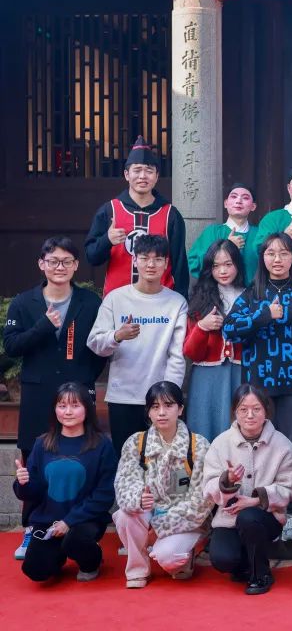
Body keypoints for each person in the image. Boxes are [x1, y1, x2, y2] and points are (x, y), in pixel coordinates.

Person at [3, 237, 106, 559]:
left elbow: (99, 349)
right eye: (53, 261)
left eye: (66, 261)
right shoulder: (24, 302)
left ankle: (81, 525)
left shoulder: (90, 302)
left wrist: (84, 377)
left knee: (85, 454)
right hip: (38, 392)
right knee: (34, 459)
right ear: (41, 264)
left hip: (77, 390)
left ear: (76, 266)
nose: (59, 267)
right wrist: (44, 327)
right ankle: (31, 529)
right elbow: (12, 347)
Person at [87, 234, 187, 454]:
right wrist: (117, 336)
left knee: (163, 460)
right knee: (126, 460)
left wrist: (168, 397)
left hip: (161, 401)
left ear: (166, 263)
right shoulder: (115, 298)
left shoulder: (177, 302)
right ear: (134, 260)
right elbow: (94, 343)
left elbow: (177, 356)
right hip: (123, 396)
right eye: (144, 258)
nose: (151, 264)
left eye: (158, 259)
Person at [223, 232, 292, 451]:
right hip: (257, 384)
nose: (277, 259)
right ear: (263, 258)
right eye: (271, 253)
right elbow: (229, 330)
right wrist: (264, 315)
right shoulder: (252, 293)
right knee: (259, 444)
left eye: (284, 253)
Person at [113, 382, 213, 588]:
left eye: (168, 405)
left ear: (180, 409)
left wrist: (158, 528)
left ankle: (186, 554)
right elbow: (124, 484)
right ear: (148, 412)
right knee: (124, 515)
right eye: (155, 406)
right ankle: (138, 569)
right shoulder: (136, 443)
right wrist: (138, 498)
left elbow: (201, 501)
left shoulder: (198, 445)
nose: (161, 413)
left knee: (169, 559)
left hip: (184, 519)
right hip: (149, 514)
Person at [13, 382, 116, 583]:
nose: (68, 411)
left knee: (75, 541)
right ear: (55, 409)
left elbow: (104, 494)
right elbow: (33, 493)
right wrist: (23, 483)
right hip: (49, 522)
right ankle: (58, 555)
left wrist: (69, 521)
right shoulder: (42, 443)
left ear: (87, 409)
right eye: (62, 406)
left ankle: (92, 560)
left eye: (75, 405)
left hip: (85, 520)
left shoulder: (102, 445)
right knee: (36, 571)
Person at [202, 384, 292, 595]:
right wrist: (226, 481)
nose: (250, 415)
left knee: (249, 518)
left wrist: (256, 500)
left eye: (256, 409)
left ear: (266, 410)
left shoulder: (283, 446)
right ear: (234, 412)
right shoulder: (220, 443)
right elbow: (207, 487)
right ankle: (245, 563)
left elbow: (290, 488)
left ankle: (261, 575)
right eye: (243, 409)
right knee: (223, 559)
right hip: (229, 518)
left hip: (266, 518)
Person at [84, 135, 188, 296]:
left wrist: (182, 302)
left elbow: (180, 266)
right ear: (127, 174)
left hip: (162, 302)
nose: (142, 176)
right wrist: (107, 240)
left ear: (156, 176)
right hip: (118, 300)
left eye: (149, 171)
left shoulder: (170, 215)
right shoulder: (109, 210)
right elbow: (92, 257)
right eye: (137, 170)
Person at [184, 238, 247, 441]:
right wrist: (202, 327)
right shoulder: (199, 299)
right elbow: (191, 352)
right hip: (206, 377)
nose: (222, 271)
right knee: (204, 430)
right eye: (216, 266)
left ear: (238, 265)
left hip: (241, 374)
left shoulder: (250, 297)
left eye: (228, 264)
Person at [186, 183, 259, 282]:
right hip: (216, 290)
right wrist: (227, 247)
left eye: (245, 198)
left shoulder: (259, 234)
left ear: (253, 206)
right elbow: (195, 263)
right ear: (226, 203)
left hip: (253, 291)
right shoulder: (212, 232)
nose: (238, 201)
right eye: (234, 197)